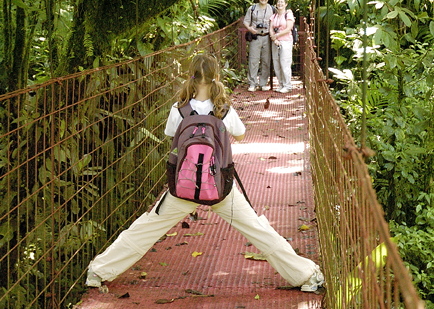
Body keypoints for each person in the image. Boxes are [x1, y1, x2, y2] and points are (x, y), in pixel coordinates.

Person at [85, 53, 324, 292]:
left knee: (147, 227)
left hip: (183, 187)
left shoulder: (178, 110)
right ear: (216, 77)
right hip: (219, 187)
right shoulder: (224, 110)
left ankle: (99, 270)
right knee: (257, 229)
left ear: (190, 77)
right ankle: (305, 275)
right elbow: (240, 134)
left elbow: (171, 136)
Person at [243, 0, 274, 91]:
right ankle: (252, 83)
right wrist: (250, 29)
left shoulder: (272, 9)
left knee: (266, 60)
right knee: (253, 60)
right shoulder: (252, 8)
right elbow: (246, 22)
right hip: (255, 37)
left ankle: (263, 83)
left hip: (267, 37)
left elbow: (280, 17)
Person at [269, 0, 295, 94]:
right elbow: (270, 28)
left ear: (286, 4)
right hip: (275, 42)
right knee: (277, 64)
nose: (280, 4)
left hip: (286, 41)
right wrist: (274, 38)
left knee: (285, 63)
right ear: (276, 4)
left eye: (282, 2)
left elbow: (288, 29)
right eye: (278, 2)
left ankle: (287, 85)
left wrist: (276, 36)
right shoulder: (274, 16)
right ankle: (281, 85)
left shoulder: (288, 15)